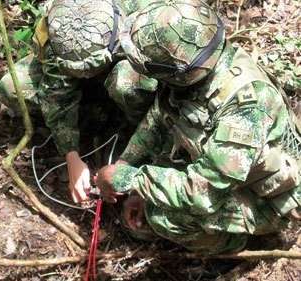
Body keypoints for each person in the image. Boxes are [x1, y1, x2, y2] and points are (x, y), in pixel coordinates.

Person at [95, 0, 301, 253]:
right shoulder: (198, 64)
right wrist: (125, 164)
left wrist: (130, 181)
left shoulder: (245, 108)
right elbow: (160, 118)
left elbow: (202, 193)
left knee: (163, 218)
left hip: (268, 199)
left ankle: (239, 244)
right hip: (224, 169)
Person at [0, 0, 157, 203]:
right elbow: (56, 92)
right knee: (12, 87)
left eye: (89, 67)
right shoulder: (61, 26)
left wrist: (132, 157)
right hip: (85, 81)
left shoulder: (146, 18)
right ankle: (96, 115)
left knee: (127, 82)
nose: (84, 73)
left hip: (125, 67)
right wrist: (71, 155)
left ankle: (128, 126)